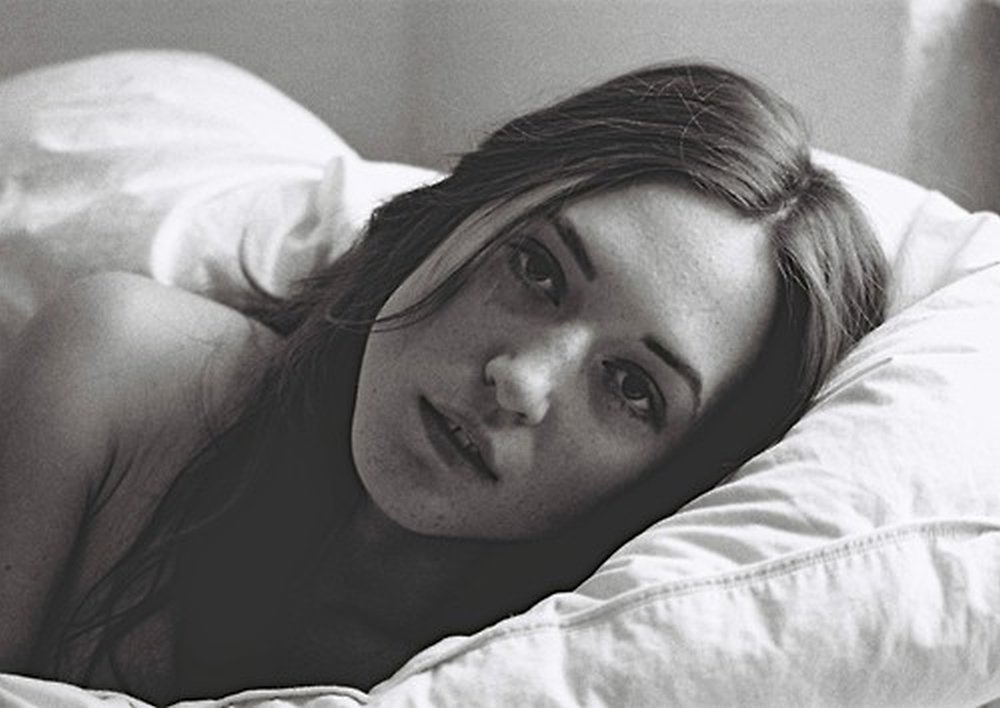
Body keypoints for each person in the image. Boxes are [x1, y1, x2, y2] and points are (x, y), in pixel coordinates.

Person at [0, 62, 887, 704]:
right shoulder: (122, 373)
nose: (520, 381)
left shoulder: (545, 673)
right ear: (462, 210)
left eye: (630, 387)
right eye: (537, 269)